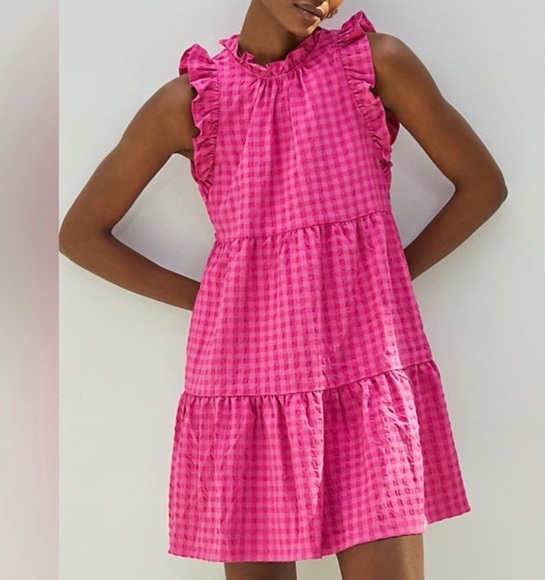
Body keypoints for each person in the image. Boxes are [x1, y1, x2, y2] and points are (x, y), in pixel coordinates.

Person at [59, 1, 507, 579]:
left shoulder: (374, 65)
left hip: (365, 370)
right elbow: (81, 235)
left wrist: (386, 277)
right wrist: (213, 299)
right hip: (248, 386)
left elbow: (482, 186)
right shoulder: (192, 102)